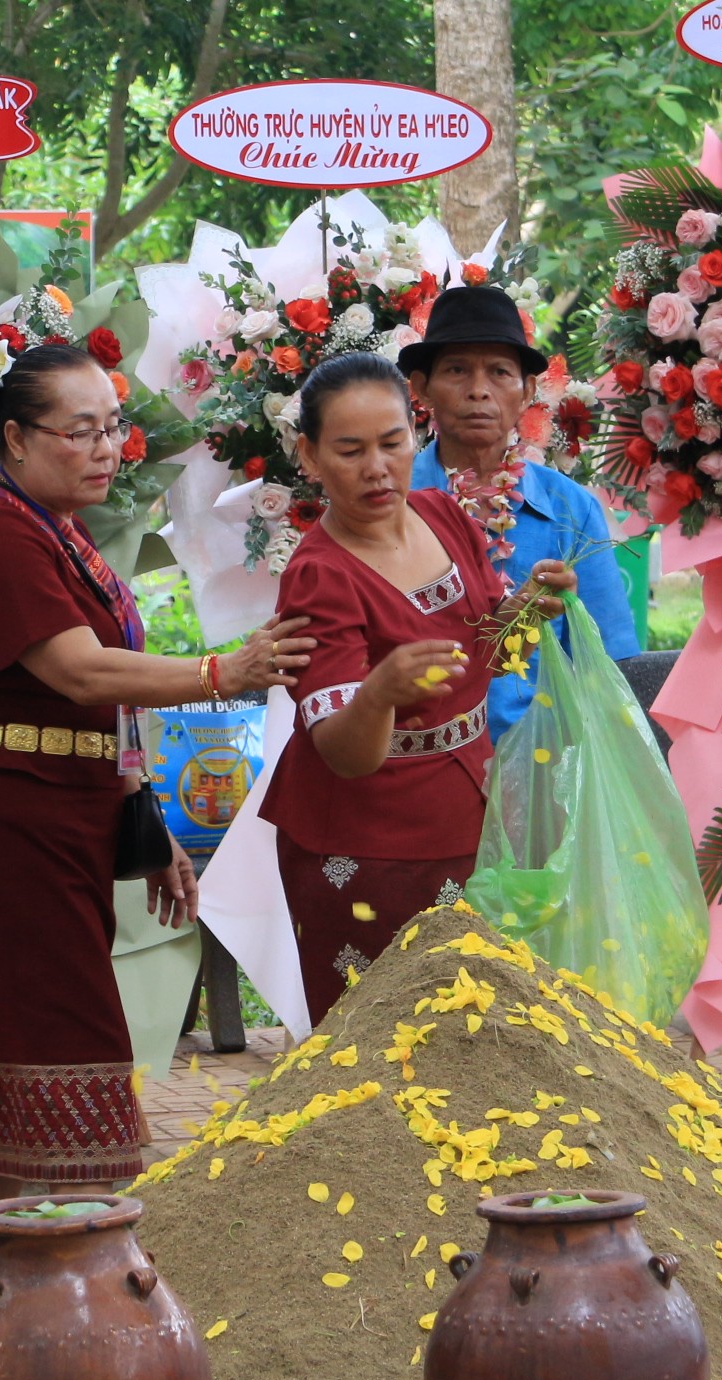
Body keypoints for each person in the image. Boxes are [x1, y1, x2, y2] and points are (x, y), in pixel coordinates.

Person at [0, 341, 312, 1290]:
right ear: (11, 437)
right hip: (10, 826)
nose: (106, 450)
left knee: (26, 1072)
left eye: (112, 428)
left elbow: (99, 708)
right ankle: (63, 1315)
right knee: (57, 1054)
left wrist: (141, 815)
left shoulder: (51, 527)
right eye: (80, 431)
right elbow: (78, 671)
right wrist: (227, 672)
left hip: (61, 813)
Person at [260, 352, 572, 1023]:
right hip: (362, 848)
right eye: (350, 450)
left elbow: (481, 651)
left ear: (416, 435)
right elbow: (347, 752)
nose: (377, 467)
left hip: (465, 813)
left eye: (393, 443)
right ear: (310, 458)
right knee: (376, 1047)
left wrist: (526, 606)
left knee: (476, 1040)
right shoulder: (320, 574)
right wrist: (378, 692)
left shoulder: (445, 514)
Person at [402, 284, 638, 740]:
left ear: (528, 390)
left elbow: (609, 660)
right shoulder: (392, 502)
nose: (478, 391)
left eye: (499, 372)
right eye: (455, 370)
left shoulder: (571, 509)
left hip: (549, 761)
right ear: (421, 388)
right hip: (423, 754)